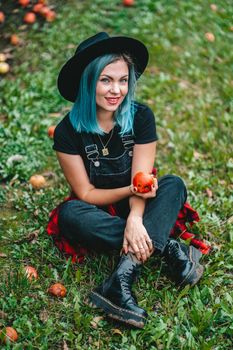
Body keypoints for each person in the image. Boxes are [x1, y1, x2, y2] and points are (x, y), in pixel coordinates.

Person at [51, 32, 204, 328]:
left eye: (123, 80)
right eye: (106, 80)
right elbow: (86, 192)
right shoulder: (67, 132)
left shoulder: (141, 117)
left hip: (143, 202)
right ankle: (167, 246)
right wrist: (129, 200)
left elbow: (143, 180)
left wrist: (135, 217)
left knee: (173, 185)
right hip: (99, 207)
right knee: (70, 215)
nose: (116, 90)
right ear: (87, 82)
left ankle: (121, 277)